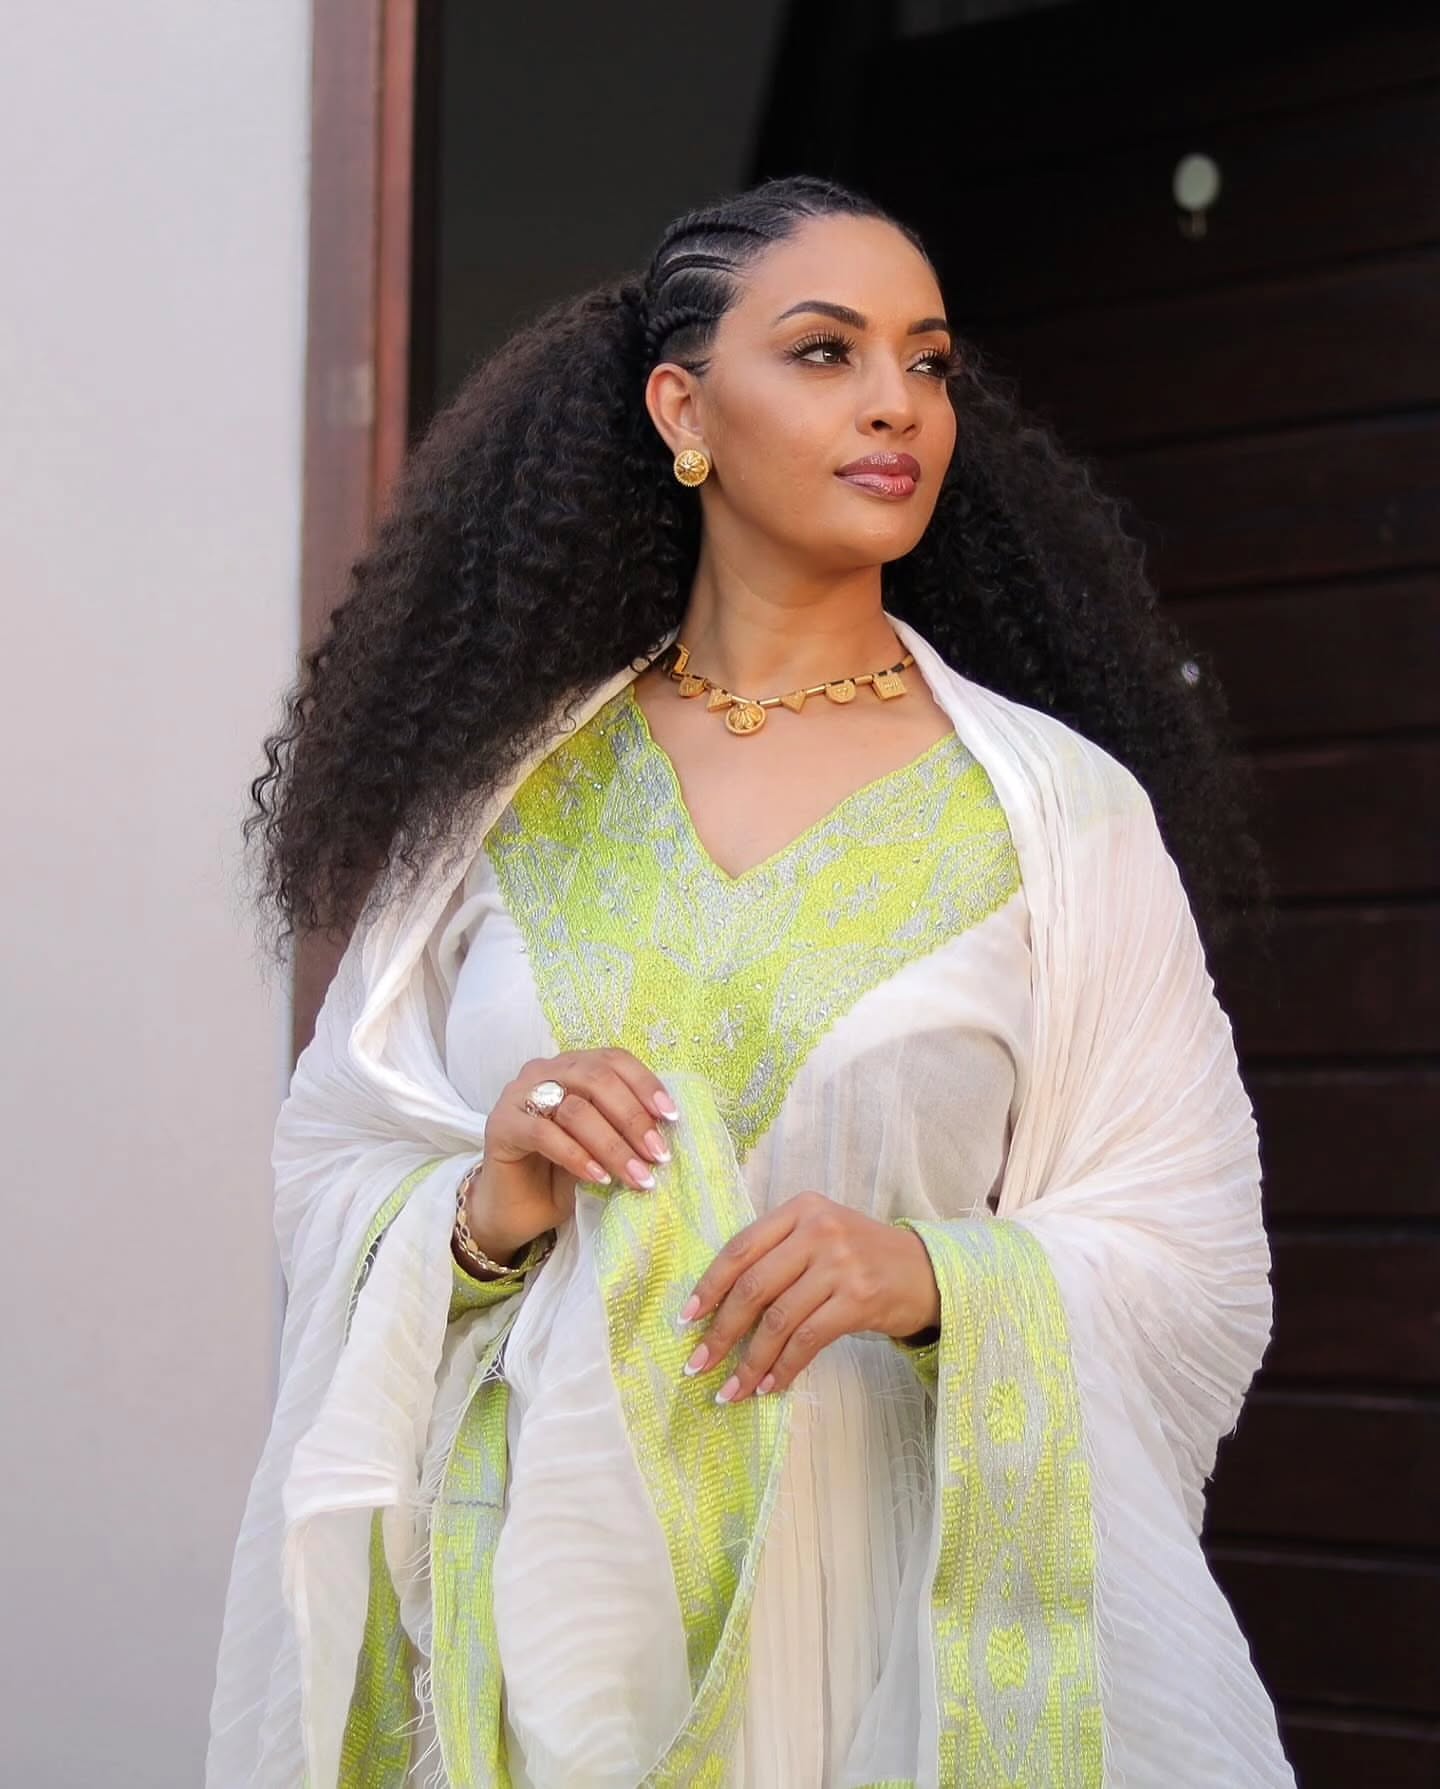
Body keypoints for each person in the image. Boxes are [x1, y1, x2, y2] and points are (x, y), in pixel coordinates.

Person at [208, 173, 1295, 1788]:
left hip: (879, 1642)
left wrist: (933, 1276)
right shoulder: (511, 801)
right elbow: (328, 1171)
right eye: (826, 351)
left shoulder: (1060, 819)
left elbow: (1192, 1256)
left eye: (929, 361)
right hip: (547, 1648)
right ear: (683, 408)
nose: (897, 403)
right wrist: (487, 1207)